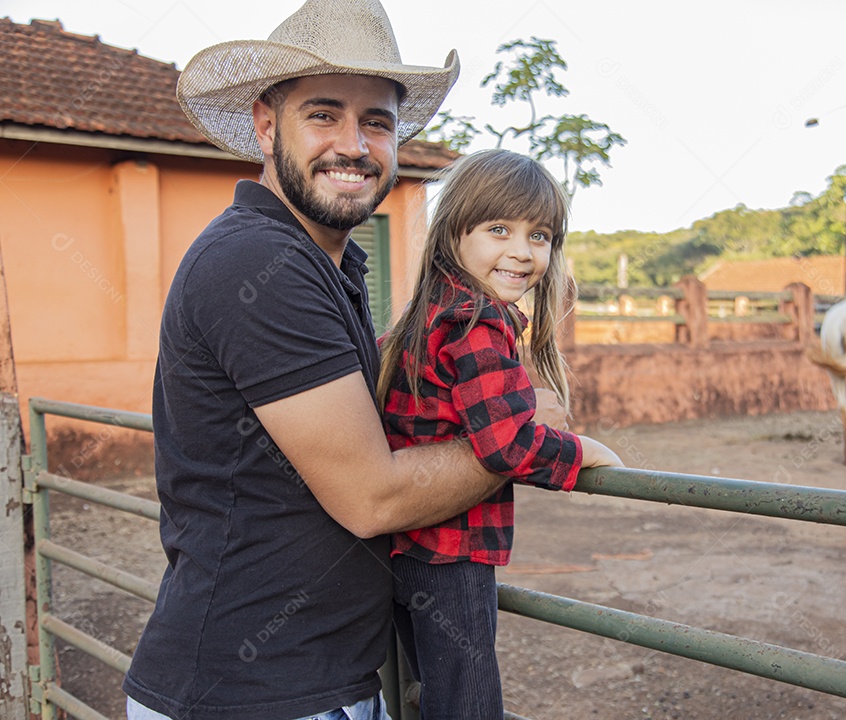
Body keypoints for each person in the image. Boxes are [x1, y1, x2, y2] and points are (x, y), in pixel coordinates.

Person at [122, 1, 564, 719]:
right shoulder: (259, 261)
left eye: (377, 122)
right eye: (323, 115)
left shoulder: (327, 263)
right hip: (253, 694)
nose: (353, 145)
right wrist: (523, 432)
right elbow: (373, 498)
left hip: (316, 682)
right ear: (267, 126)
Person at [377, 149, 623, 719]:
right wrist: (583, 451)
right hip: (453, 553)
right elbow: (507, 444)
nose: (521, 251)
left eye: (540, 235)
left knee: (428, 694)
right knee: (468, 704)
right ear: (454, 231)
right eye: (498, 229)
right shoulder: (477, 322)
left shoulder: (426, 312)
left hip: (403, 548)